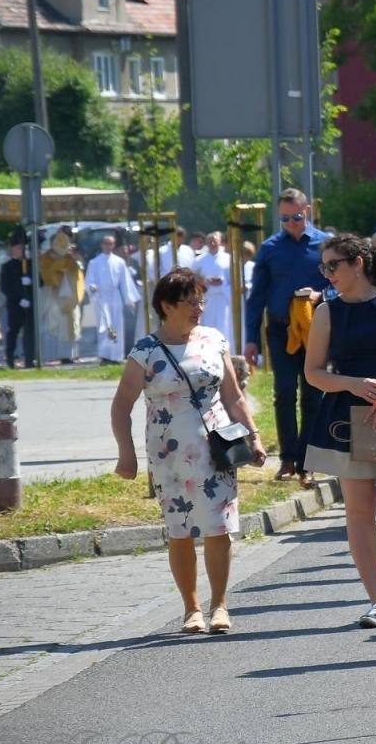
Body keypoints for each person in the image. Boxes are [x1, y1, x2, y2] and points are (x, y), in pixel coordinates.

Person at [111, 269, 267, 635]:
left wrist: (254, 437)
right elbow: (121, 406)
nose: (199, 307)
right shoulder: (146, 351)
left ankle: (219, 605)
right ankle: (191, 608)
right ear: (167, 306)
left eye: (201, 299)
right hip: (168, 454)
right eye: (190, 301)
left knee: (218, 527)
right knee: (179, 530)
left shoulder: (213, 340)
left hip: (217, 449)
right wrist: (126, 454)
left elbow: (232, 396)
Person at [302, 234, 376, 629]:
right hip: (349, 415)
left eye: (333, 265)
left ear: (358, 263)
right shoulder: (326, 312)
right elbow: (314, 372)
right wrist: (353, 383)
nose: (328, 273)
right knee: (358, 511)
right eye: (324, 267)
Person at [244, 189, 331, 483]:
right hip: (280, 329)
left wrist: (322, 295)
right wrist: (251, 338)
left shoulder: (324, 244)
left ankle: (308, 461)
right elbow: (256, 297)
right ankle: (287, 459)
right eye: (285, 218)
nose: (291, 223)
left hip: (316, 327)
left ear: (306, 212)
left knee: (312, 394)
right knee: (283, 392)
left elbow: (343, 283)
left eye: (296, 216)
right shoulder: (269, 248)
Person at [85, 235, 140, 364]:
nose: (108, 246)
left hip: (115, 296)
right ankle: (104, 355)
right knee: (104, 326)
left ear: (113, 245)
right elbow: (89, 280)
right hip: (102, 297)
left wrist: (129, 299)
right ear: (102, 245)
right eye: (106, 243)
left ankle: (115, 355)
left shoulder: (119, 262)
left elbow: (125, 282)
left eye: (110, 244)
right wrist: (92, 286)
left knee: (117, 325)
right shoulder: (94, 262)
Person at [38, 229, 84, 363]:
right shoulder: (46, 258)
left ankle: (69, 355)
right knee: (52, 324)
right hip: (52, 296)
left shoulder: (70, 258)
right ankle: (49, 356)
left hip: (70, 296)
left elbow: (77, 275)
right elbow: (46, 274)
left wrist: (74, 260)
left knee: (71, 325)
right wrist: (57, 270)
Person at [0, 233, 35, 369]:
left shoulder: (30, 264)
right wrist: (18, 299)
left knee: (30, 333)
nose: (21, 251)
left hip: (30, 305)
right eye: (18, 248)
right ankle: (10, 360)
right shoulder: (7, 266)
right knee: (13, 332)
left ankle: (30, 360)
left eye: (22, 248)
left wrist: (31, 280)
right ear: (13, 249)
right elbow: (5, 287)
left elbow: (41, 282)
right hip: (15, 305)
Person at [191, 233, 234, 346]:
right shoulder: (199, 260)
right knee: (207, 327)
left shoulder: (228, 258)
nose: (213, 243)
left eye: (215, 240)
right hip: (207, 298)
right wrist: (205, 281)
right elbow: (193, 279)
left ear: (220, 242)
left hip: (223, 299)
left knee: (223, 327)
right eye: (210, 241)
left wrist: (222, 282)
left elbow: (234, 280)